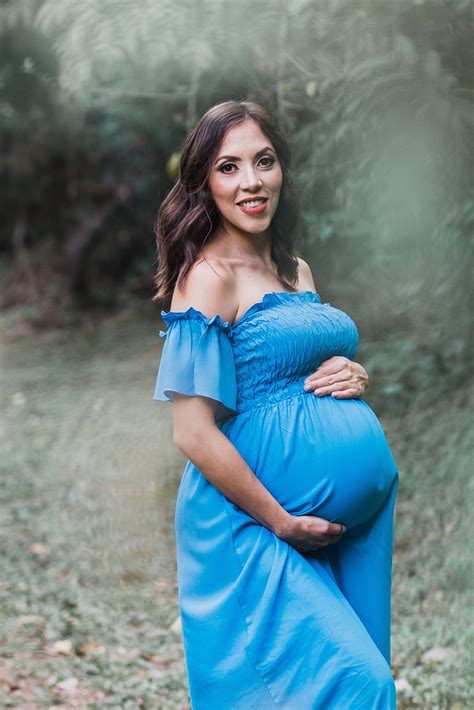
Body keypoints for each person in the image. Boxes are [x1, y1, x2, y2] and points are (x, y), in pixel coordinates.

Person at [152, 100, 399, 709]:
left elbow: (302, 367)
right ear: (204, 183)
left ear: (281, 169)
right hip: (254, 524)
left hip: (348, 520)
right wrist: (280, 521)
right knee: (359, 686)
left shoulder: (296, 269)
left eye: (263, 161)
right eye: (228, 167)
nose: (251, 182)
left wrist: (352, 371)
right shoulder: (208, 276)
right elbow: (191, 429)